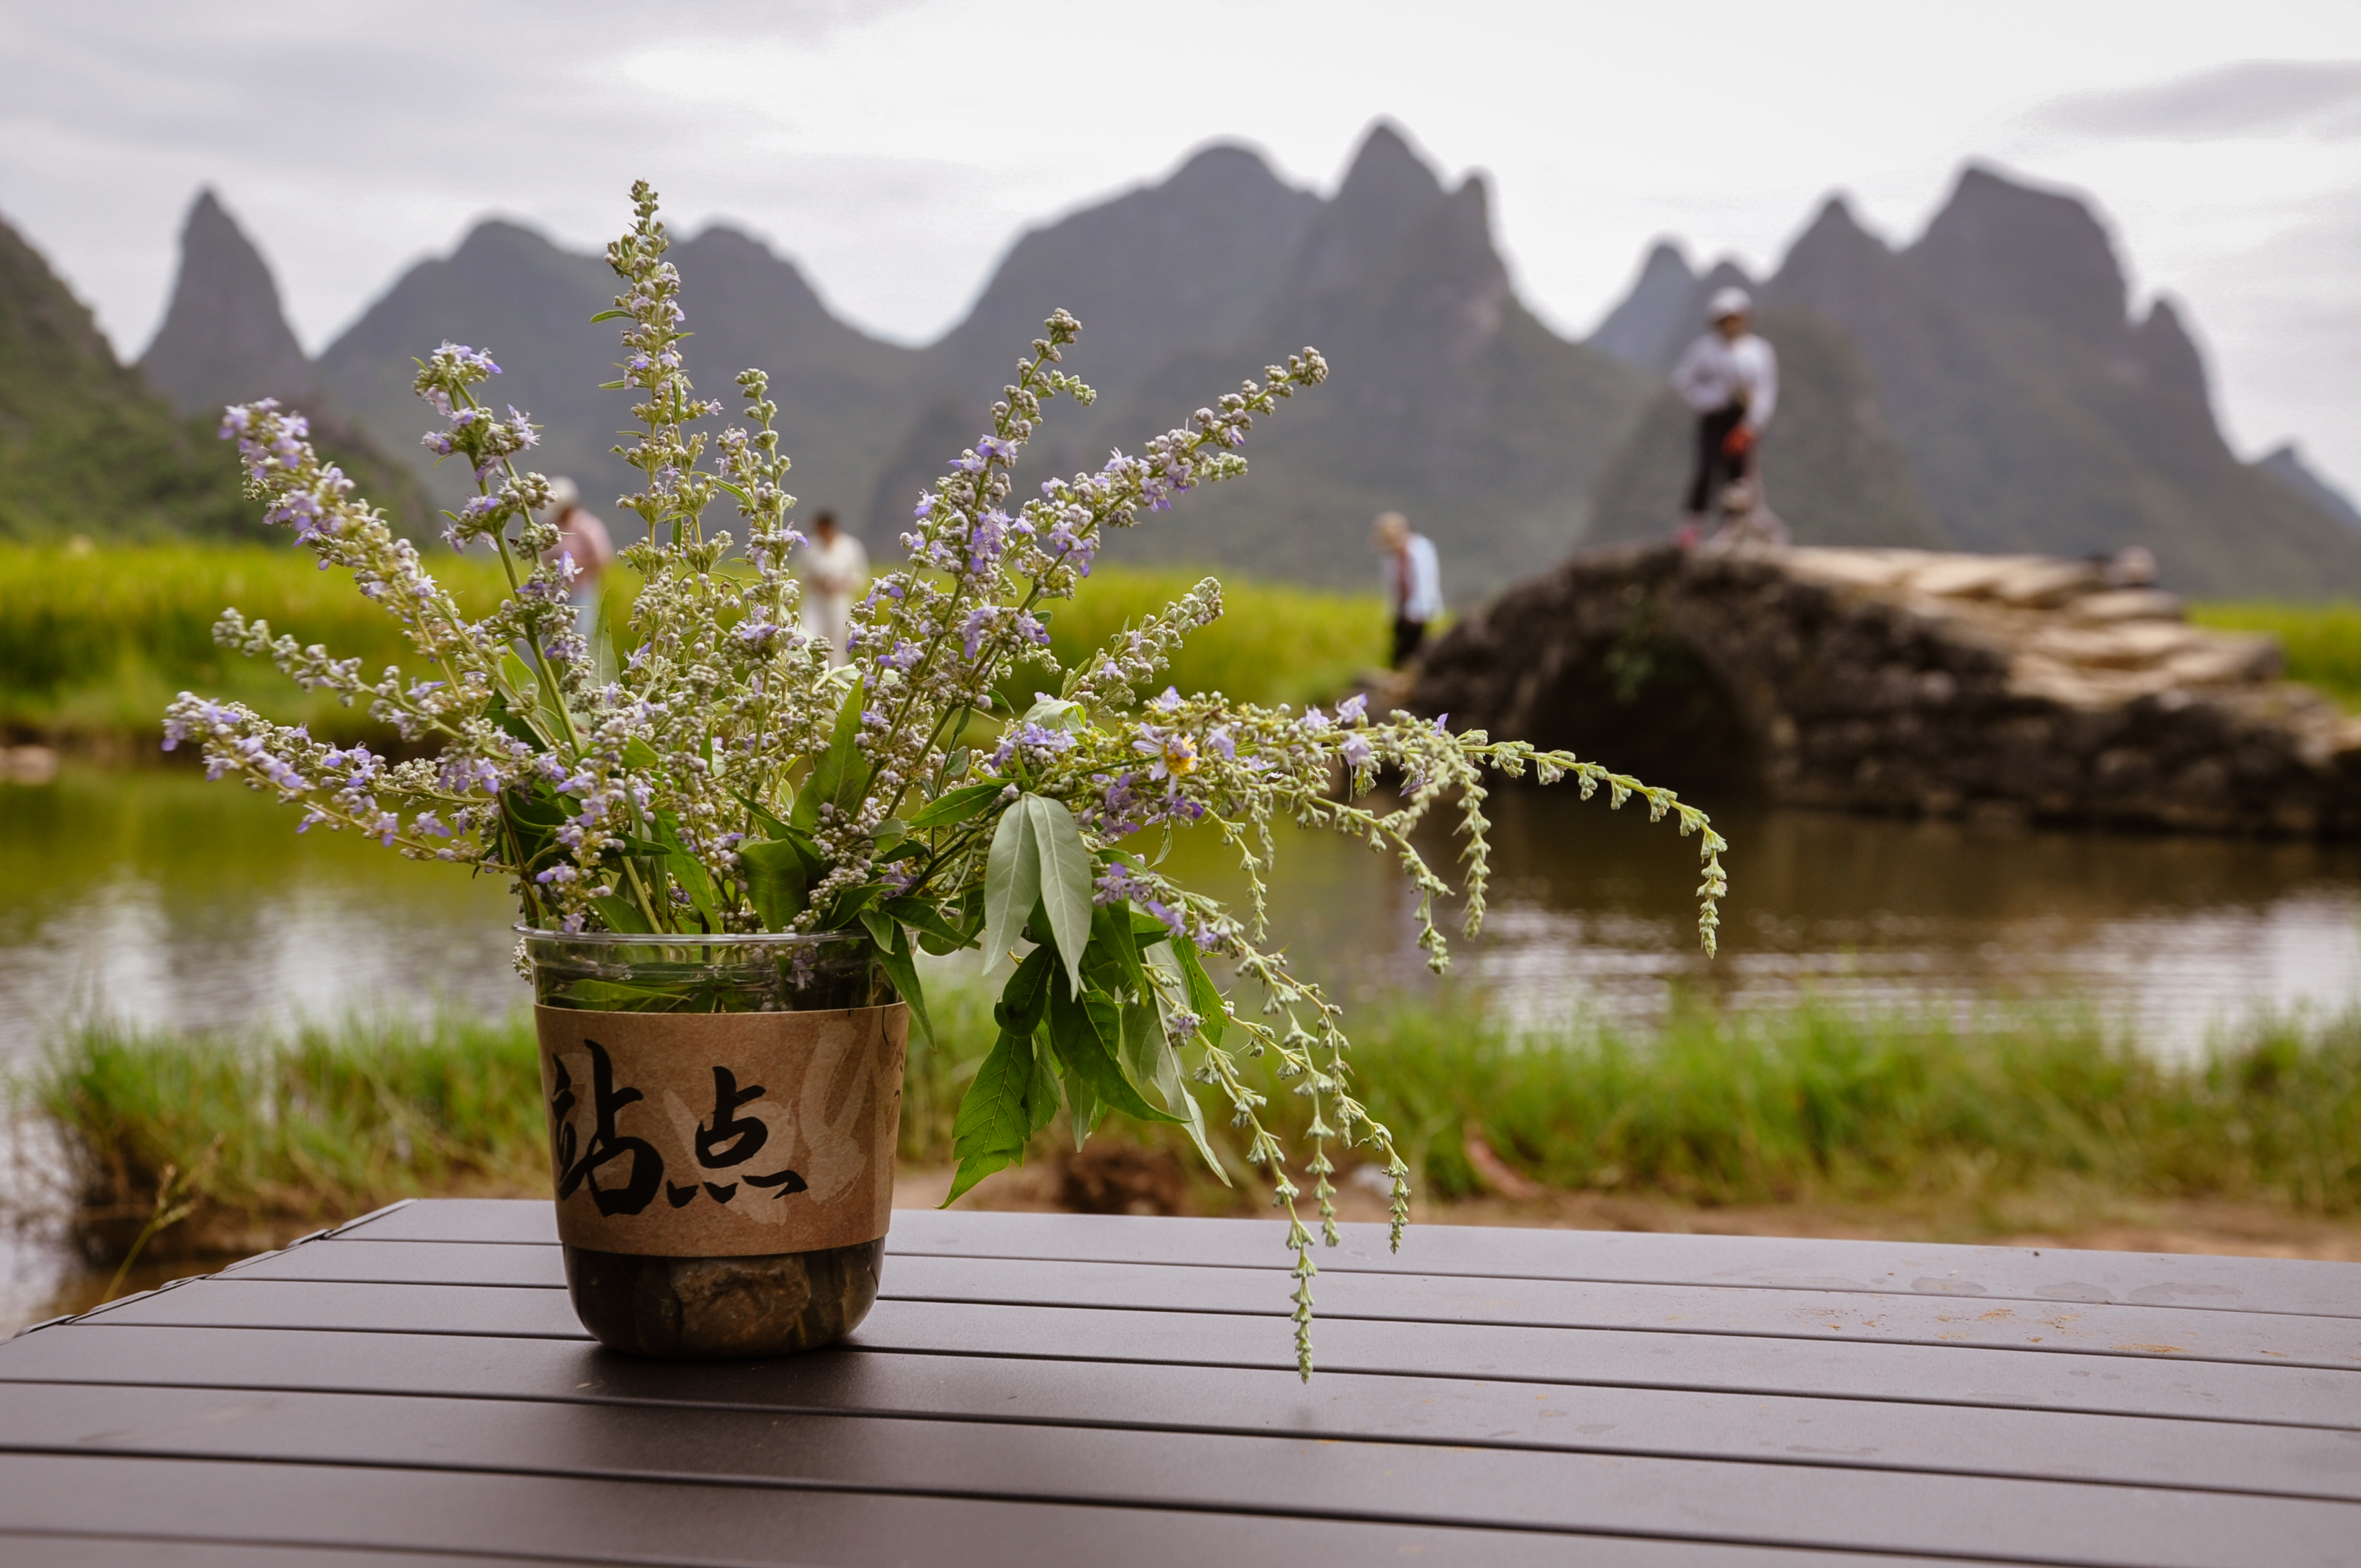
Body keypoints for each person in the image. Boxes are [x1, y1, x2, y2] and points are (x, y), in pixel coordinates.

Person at [1672, 286, 1779, 542]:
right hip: (1714, 419)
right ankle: (1692, 526)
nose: (1730, 324)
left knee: (1738, 478)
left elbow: (1766, 391)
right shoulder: (1704, 349)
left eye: (1735, 318)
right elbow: (1683, 382)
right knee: (1707, 470)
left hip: (1742, 421)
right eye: (1724, 320)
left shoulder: (1759, 351)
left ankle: (1730, 529)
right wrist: (1709, 401)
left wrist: (1752, 426)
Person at [540, 477, 614, 649]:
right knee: (541, 636)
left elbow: (603, 560)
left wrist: (572, 567)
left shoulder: (588, 526)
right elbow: (544, 556)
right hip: (553, 591)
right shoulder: (549, 525)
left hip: (581, 592)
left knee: (577, 640)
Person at [1372, 512, 1443, 668]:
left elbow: (1425, 582)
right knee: (1400, 654)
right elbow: (1392, 586)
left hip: (1419, 611)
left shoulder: (1420, 550)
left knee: (1414, 652)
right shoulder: (1391, 556)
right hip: (1401, 611)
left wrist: (1416, 612)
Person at [799, 511, 868, 667]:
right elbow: (802, 574)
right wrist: (817, 582)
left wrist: (843, 583)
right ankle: (810, 678)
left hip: (840, 601)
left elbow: (860, 576)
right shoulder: (810, 547)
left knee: (837, 644)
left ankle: (837, 683)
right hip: (815, 601)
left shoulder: (850, 546)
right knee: (808, 637)